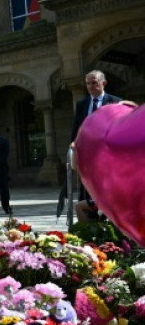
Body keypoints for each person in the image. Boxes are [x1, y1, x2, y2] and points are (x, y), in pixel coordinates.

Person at [71, 70, 121, 222]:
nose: (91, 86)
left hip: (108, 157)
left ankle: (110, 224)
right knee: (86, 191)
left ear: (103, 83)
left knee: (107, 191)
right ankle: (88, 227)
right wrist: (73, 144)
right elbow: (77, 129)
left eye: (94, 83)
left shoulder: (115, 102)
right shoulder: (82, 104)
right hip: (87, 158)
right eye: (88, 84)